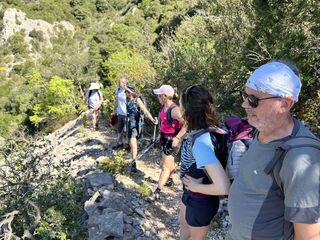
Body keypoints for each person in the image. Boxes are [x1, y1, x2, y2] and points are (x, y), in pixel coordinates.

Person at [228, 61, 320, 240]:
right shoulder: (263, 130)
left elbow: (309, 236)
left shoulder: (299, 158)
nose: (245, 105)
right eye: (245, 96)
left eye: (254, 100)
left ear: (285, 104)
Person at [178, 85, 230, 240]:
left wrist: (195, 186)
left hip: (201, 199)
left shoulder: (201, 142)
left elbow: (224, 187)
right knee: (183, 226)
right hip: (192, 195)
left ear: (188, 109)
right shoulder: (212, 130)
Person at [150, 85, 186, 201]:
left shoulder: (175, 110)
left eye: (160, 95)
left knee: (165, 166)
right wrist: (160, 135)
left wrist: (177, 138)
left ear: (165, 96)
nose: (158, 97)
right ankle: (170, 179)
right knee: (167, 163)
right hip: (165, 138)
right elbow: (164, 123)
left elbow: (187, 124)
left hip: (173, 140)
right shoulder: (163, 107)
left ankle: (157, 191)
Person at [125, 86, 158, 172]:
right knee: (131, 142)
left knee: (133, 141)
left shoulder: (137, 100)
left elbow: (145, 111)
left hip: (136, 124)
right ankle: (133, 159)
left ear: (130, 93)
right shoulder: (127, 100)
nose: (125, 93)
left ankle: (133, 162)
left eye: (126, 92)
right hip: (129, 123)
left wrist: (153, 120)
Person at [112, 77, 128, 150]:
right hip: (120, 113)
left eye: (120, 82)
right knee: (119, 129)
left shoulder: (128, 91)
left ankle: (127, 145)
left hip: (127, 114)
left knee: (126, 131)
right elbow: (116, 100)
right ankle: (120, 143)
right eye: (119, 82)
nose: (119, 83)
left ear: (125, 83)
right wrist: (114, 110)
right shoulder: (118, 90)